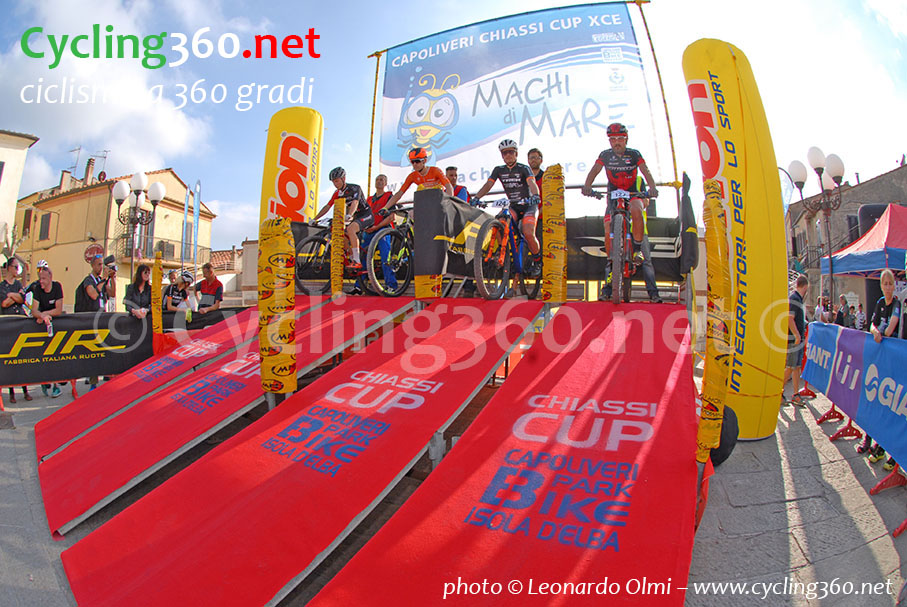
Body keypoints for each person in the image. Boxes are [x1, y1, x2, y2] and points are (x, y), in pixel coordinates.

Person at [581, 123, 658, 301]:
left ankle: (637, 249)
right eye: (613, 139)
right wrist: (587, 186)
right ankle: (611, 265)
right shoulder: (605, 155)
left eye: (620, 139)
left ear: (626, 139)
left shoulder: (634, 154)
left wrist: (652, 187)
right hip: (614, 196)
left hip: (632, 193)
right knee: (608, 225)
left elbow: (645, 171)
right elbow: (595, 170)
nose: (616, 142)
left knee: (637, 209)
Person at [471, 139, 543, 278]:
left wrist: (535, 195)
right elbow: (488, 185)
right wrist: (477, 197)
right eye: (505, 153)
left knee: (528, 232)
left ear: (516, 154)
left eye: (511, 152)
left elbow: (532, 183)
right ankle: (501, 250)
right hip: (514, 205)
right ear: (502, 155)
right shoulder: (499, 170)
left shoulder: (524, 168)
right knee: (499, 222)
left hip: (529, 205)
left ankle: (537, 260)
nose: (508, 155)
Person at [860, 269, 902, 467]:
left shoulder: (897, 304)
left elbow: (891, 328)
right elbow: (872, 325)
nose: (887, 287)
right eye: (884, 283)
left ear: (894, 285)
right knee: (876, 399)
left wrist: (880, 333)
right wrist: (875, 331)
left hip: (894, 360)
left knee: (892, 404)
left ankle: (889, 449)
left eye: (890, 283)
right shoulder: (879, 302)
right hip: (880, 359)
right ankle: (872, 441)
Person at [313, 167, 372, 270]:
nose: (335, 184)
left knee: (351, 229)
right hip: (354, 217)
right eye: (333, 182)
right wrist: (315, 219)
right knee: (341, 235)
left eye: (336, 181)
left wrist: (350, 214)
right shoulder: (337, 193)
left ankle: (357, 261)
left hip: (366, 214)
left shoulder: (355, 188)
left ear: (343, 179)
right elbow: (327, 206)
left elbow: (355, 202)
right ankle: (351, 257)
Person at [382, 148, 453, 211]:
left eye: (417, 161)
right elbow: (399, 193)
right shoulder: (412, 176)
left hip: (438, 203)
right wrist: (385, 207)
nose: (414, 164)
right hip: (424, 204)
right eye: (412, 162)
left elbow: (448, 186)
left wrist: (449, 203)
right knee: (411, 213)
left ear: (424, 161)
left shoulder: (435, 171)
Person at [30, 266, 64, 398]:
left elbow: (58, 309)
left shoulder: (57, 287)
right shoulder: (37, 289)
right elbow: (34, 310)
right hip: (41, 327)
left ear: (50, 278)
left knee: (55, 357)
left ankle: (56, 386)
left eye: (43, 278)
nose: (41, 281)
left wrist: (44, 314)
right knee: (41, 357)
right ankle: (45, 381)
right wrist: (42, 316)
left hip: (56, 327)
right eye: (40, 278)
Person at [1, 258, 31, 402]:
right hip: (8, 325)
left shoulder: (18, 284)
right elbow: (4, 303)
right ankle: (11, 391)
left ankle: (25, 390)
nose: (17, 270)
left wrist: (12, 296)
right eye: (15, 267)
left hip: (20, 323)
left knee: (22, 359)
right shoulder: (2, 286)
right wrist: (15, 296)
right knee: (10, 359)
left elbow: (21, 299)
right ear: (9, 268)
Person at [783, 275, 809, 407]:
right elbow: (789, 318)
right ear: (806, 286)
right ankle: (778, 391)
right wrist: (797, 335)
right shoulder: (795, 299)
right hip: (794, 340)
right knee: (790, 367)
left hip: (797, 339)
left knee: (796, 367)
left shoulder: (797, 299)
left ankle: (795, 393)